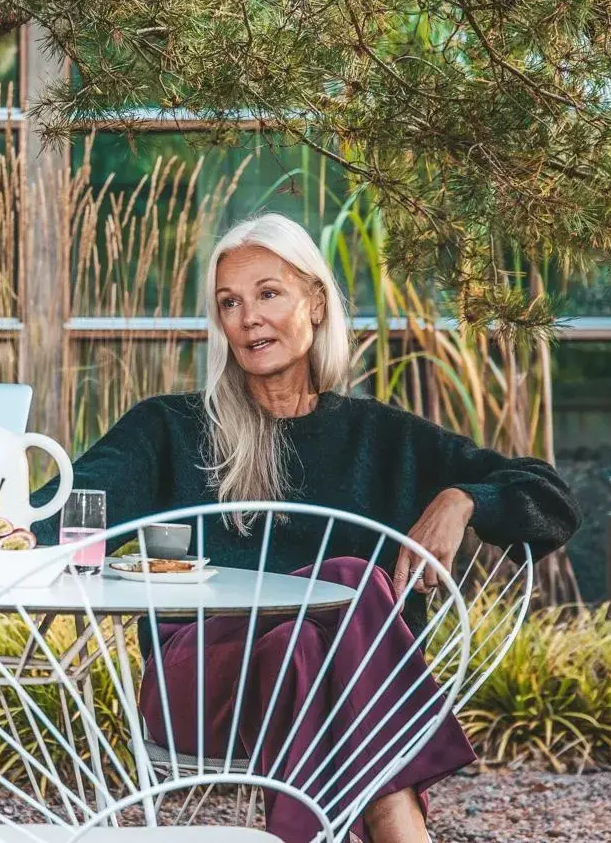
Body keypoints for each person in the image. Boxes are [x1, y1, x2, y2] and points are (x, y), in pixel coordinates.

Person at [33, 213, 581, 843]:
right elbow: (69, 506)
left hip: (321, 689)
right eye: (229, 303)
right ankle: (394, 814)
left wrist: (463, 499)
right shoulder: (170, 428)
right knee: (349, 579)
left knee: (301, 644)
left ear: (316, 302)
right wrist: (0, 527)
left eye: (269, 293)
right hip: (203, 689)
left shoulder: (384, 439)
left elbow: (553, 502)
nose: (248, 317)